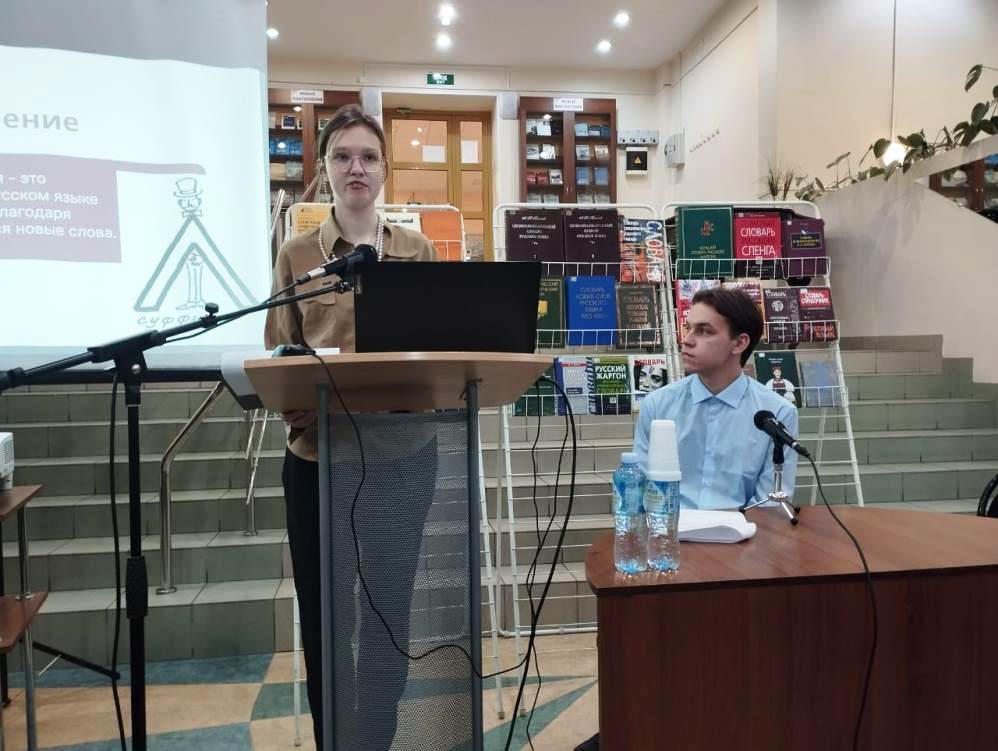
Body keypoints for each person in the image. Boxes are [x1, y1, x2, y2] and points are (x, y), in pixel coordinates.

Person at [264, 103, 437, 750]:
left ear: (385, 169)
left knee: (388, 613)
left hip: (402, 458)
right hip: (318, 462)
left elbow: (435, 356)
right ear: (324, 170)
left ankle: (377, 739)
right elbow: (281, 354)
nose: (355, 167)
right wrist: (297, 393)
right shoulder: (297, 255)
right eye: (342, 156)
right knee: (325, 618)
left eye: (367, 156)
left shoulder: (418, 251)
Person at [574, 287, 798, 751]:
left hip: (739, 560)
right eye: (688, 328)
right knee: (651, 668)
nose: (687, 339)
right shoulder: (660, 406)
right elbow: (638, 489)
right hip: (664, 553)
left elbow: (772, 505)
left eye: (704, 330)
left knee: (731, 671)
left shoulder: (775, 413)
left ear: (739, 343)